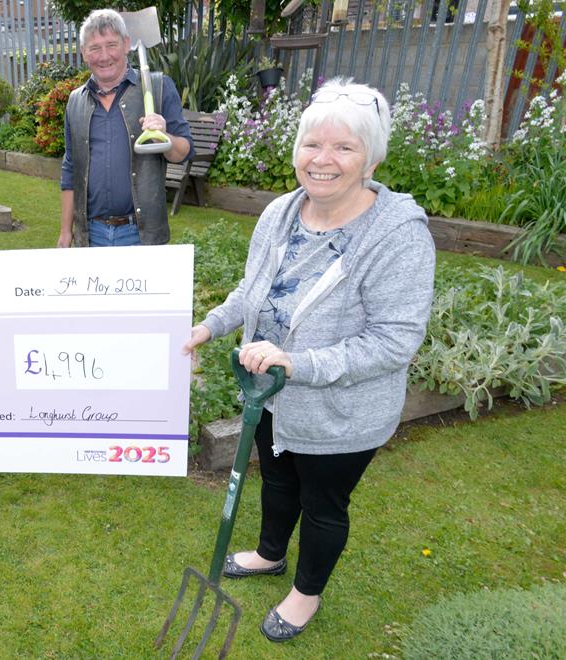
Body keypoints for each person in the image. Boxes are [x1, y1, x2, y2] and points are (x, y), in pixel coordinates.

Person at [181, 79, 435, 642]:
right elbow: (252, 290)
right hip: (271, 392)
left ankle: (305, 593)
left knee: (322, 503)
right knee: (276, 480)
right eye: (311, 145)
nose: (322, 160)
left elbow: (394, 340)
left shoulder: (398, 236)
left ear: (371, 156)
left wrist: (297, 363)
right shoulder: (281, 212)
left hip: (343, 411)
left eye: (344, 147)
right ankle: (270, 554)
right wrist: (209, 325)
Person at [58, 8, 193, 248]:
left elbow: (183, 152)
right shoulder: (75, 101)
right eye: (94, 48)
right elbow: (70, 169)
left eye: (111, 45)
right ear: (83, 53)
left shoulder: (158, 88)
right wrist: (66, 232)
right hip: (92, 235)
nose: (104, 56)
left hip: (140, 235)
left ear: (126, 44)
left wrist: (164, 137)